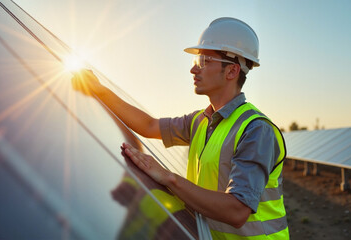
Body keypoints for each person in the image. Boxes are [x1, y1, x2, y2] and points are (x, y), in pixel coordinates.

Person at [72, 17, 289, 239]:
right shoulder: (200, 121)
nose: (193, 69)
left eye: (204, 60)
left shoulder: (256, 130)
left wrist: (169, 178)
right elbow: (149, 125)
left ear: (232, 71)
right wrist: (99, 90)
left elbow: (237, 210)